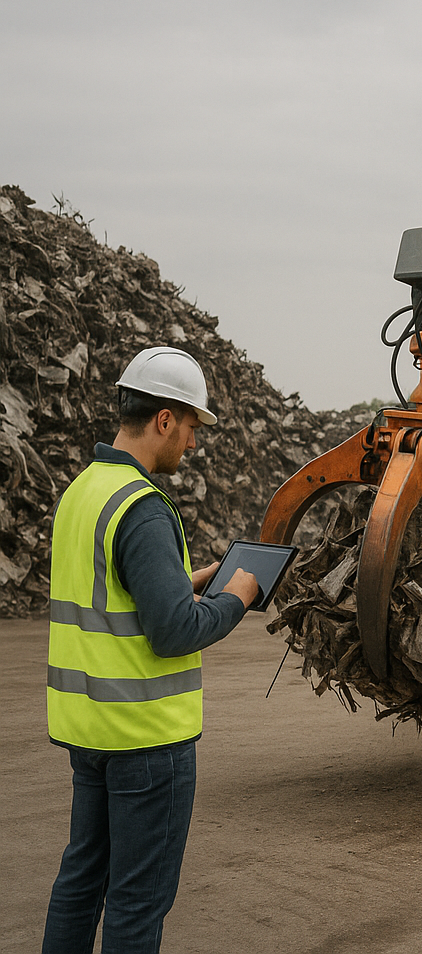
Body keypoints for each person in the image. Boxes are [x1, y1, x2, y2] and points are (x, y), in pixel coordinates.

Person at [42, 346, 260, 954]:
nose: (193, 444)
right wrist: (237, 595)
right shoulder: (142, 507)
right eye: (191, 427)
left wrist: (184, 581)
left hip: (90, 732)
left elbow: (111, 594)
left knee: (81, 882)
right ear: (164, 418)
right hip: (146, 741)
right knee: (138, 905)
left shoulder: (85, 491)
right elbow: (172, 633)